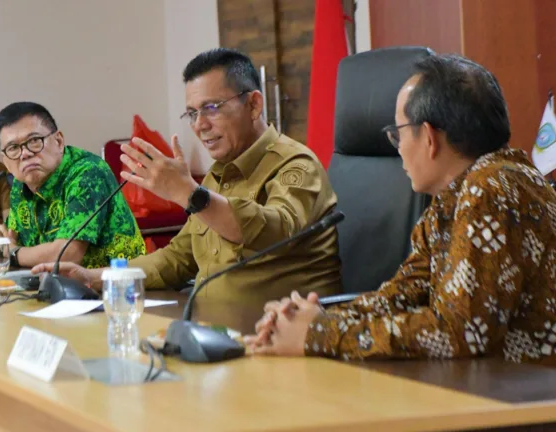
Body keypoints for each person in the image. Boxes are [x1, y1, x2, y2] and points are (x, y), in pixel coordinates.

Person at [247, 54, 556, 379]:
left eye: (397, 134)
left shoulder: (493, 188)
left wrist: (319, 335)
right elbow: (402, 296)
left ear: (428, 138)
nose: (397, 148)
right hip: (520, 393)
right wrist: (313, 318)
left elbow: (460, 331)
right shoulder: (453, 199)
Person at [33, 48, 342, 303]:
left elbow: (277, 232)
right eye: (192, 113)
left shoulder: (297, 164)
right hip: (209, 328)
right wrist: (94, 277)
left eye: (212, 108)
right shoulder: (216, 176)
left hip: (278, 335)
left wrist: (191, 195)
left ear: (253, 105)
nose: (199, 125)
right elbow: (177, 259)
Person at [0, 102, 145, 269]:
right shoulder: (19, 183)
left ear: (58, 141)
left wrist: (13, 253)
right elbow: (11, 240)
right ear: (5, 161)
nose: (25, 154)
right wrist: (2, 243)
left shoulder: (89, 173)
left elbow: (67, 255)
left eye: (34, 140)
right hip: (52, 281)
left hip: (117, 281)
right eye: (13, 148)